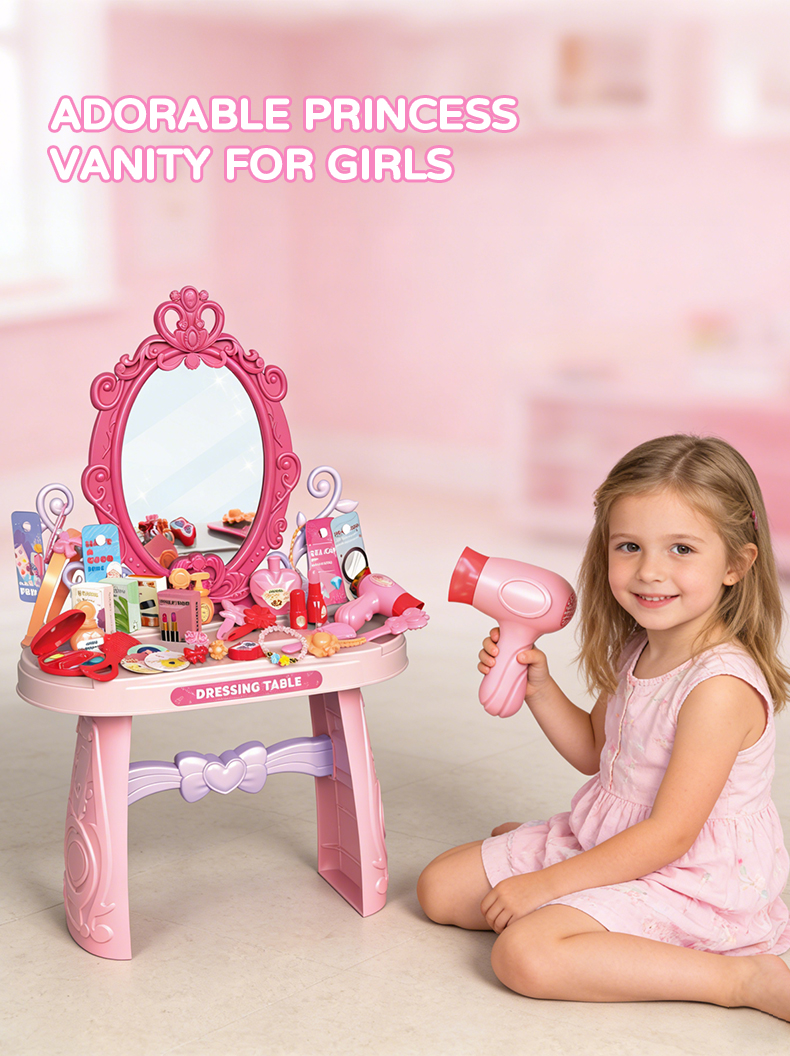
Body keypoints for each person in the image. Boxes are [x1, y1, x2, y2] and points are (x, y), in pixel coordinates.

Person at [417, 434, 790, 1021]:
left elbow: (670, 835)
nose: (649, 572)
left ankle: (739, 977)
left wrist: (545, 885)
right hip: (619, 842)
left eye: (682, 550)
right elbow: (596, 752)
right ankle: (582, 867)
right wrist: (540, 688)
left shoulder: (719, 688)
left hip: (689, 873)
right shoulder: (638, 647)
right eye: (630, 545)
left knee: (526, 955)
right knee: (438, 889)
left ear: (736, 565)